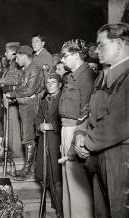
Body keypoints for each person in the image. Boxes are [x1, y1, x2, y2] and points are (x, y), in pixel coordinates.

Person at [74, 23, 129, 218]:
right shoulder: (101, 77)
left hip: (121, 157)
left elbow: (119, 122)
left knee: (119, 211)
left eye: (101, 45)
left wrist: (87, 142)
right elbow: (89, 110)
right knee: (102, 211)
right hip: (99, 153)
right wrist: (79, 133)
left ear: (119, 43)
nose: (96, 50)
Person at [59, 39, 95, 218]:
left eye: (65, 56)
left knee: (78, 183)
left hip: (76, 131)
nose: (62, 60)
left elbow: (87, 113)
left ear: (76, 55)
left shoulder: (86, 77)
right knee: (68, 180)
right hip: (66, 129)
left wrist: (75, 141)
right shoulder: (71, 76)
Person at [5, 45, 44, 180]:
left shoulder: (35, 69)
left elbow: (29, 89)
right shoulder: (25, 70)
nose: (16, 60)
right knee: (26, 136)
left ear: (23, 56)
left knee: (28, 137)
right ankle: (29, 167)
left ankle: (28, 170)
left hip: (31, 106)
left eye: (17, 57)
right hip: (24, 105)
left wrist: (12, 94)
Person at [35, 73, 63, 217]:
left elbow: (70, 119)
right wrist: (39, 126)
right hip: (44, 141)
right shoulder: (44, 99)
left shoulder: (63, 98)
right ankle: (54, 207)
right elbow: (38, 117)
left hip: (57, 141)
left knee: (57, 178)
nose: (49, 84)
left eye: (53, 82)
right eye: (47, 82)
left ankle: (61, 211)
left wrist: (51, 126)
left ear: (60, 84)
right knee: (46, 176)